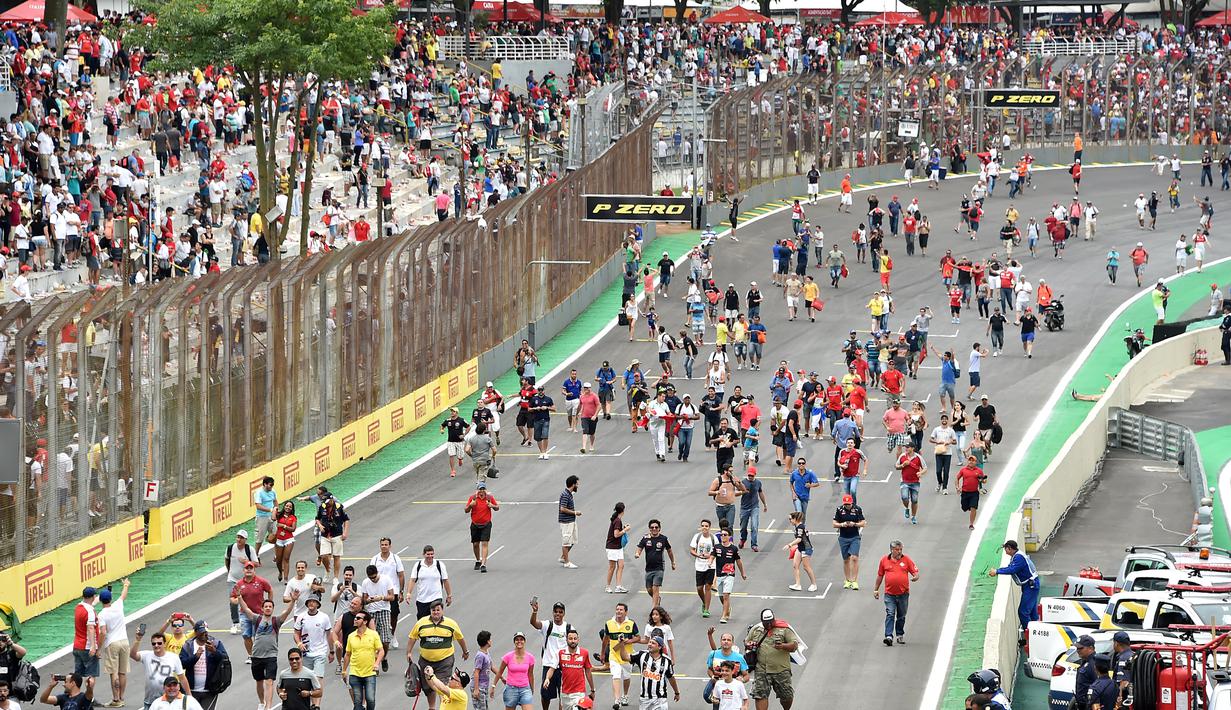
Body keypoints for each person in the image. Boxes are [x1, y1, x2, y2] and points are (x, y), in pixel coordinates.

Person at [236, 594, 296, 710]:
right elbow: (246, 609)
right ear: (262, 609)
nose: (268, 608)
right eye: (266, 606)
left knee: (269, 681)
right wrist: (239, 597)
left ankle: (268, 707)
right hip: (256, 656)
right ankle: (262, 702)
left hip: (271, 656)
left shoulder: (276, 621)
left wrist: (293, 600)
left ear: (273, 609)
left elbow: (287, 612)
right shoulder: (257, 619)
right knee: (259, 681)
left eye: (270, 606)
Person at [407, 601, 470, 710]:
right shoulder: (421, 623)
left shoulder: (451, 624)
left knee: (443, 685)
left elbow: (460, 638)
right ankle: (432, 707)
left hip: (444, 660)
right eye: (433, 610)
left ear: (442, 611)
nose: (436, 612)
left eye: (438, 610)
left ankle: (443, 706)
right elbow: (412, 637)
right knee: (428, 687)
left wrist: (465, 651)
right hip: (425, 660)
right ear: (430, 611)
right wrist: (409, 652)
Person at [743, 609, 798, 710]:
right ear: (762, 621)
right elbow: (747, 641)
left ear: (774, 619)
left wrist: (783, 646)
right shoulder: (756, 629)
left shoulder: (785, 629)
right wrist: (749, 645)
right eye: (766, 623)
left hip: (781, 669)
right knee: (760, 695)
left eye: (771, 622)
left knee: (787, 696)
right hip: (762, 669)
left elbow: (794, 646)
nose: (768, 625)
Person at [988, 540, 1041, 641]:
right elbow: (1011, 568)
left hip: (1031, 586)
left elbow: (1012, 569)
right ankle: (1036, 634)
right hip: (1030, 586)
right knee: (1032, 613)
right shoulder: (1017, 556)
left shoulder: (1018, 557)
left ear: (1009, 548)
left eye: (1006, 549)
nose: (1005, 551)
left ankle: (1030, 638)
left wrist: (997, 571)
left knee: (1023, 612)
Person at [873, 540, 920, 646]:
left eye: (900, 549)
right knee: (890, 613)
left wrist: (916, 576)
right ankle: (888, 636)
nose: (899, 552)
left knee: (901, 615)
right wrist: (876, 589)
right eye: (897, 550)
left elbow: (915, 571)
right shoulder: (884, 560)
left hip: (903, 594)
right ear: (891, 550)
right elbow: (880, 575)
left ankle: (899, 634)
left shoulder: (906, 560)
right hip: (889, 594)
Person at [529, 600, 574, 710]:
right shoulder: (547, 625)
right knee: (545, 694)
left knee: (563, 695)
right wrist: (534, 612)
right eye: (556, 611)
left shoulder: (569, 627)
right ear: (553, 613)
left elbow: (573, 643)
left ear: (564, 613)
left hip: (564, 666)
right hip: (548, 665)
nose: (558, 614)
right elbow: (534, 623)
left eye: (560, 612)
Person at [129, 630, 189, 710]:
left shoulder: (173, 657)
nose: (156, 645)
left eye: (159, 643)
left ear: (164, 644)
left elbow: (182, 678)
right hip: (150, 700)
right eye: (154, 643)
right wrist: (138, 640)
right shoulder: (147, 655)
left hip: (168, 700)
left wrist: (189, 695)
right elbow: (132, 655)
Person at [541, 628, 594, 710]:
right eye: (570, 639)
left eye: (575, 639)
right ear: (566, 640)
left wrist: (592, 689)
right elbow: (552, 668)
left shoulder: (584, 653)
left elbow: (588, 671)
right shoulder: (560, 653)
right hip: (565, 693)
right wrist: (547, 678)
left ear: (578, 639)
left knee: (578, 708)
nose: (573, 641)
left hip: (579, 693)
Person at [180, 621, 229, 710]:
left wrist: (214, 652)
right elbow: (182, 664)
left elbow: (224, 660)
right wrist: (195, 657)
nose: (204, 633)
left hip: (210, 690)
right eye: (201, 631)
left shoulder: (216, 643)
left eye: (206, 631)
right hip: (191, 690)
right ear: (195, 632)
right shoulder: (188, 645)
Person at [97, 581, 130, 708]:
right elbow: (123, 595)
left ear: (100, 600)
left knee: (114, 672)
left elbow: (103, 632)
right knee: (122, 672)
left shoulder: (101, 615)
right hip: (125, 641)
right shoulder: (118, 605)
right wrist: (126, 584)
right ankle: (121, 697)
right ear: (111, 598)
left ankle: (116, 699)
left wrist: (99, 649)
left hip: (112, 643)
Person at [341, 611, 382, 710]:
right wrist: (344, 670)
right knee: (357, 701)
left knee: (370, 699)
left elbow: (381, 651)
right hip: (355, 672)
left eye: (358, 618)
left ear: (365, 621)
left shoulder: (373, 635)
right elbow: (347, 654)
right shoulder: (351, 636)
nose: (355, 619)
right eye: (355, 618)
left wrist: (376, 663)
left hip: (369, 672)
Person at [628, 635, 680, 709]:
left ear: (659, 647)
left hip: (660, 699)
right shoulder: (642, 655)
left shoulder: (666, 661)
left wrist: (677, 693)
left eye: (653, 643)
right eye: (649, 642)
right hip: (644, 699)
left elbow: (671, 678)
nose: (649, 644)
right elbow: (625, 657)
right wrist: (621, 644)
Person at [603, 604, 640, 709]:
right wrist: (602, 653)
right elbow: (606, 639)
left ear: (626, 612)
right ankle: (617, 700)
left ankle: (625, 695)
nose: (619, 611)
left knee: (627, 677)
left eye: (621, 610)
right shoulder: (609, 623)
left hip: (627, 656)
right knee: (616, 676)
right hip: (613, 655)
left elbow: (638, 637)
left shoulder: (631, 624)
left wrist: (629, 641)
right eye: (617, 609)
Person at [489, 632, 535, 710]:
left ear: (524, 641)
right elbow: (500, 672)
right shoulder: (508, 657)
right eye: (517, 640)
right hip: (511, 690)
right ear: (514, 642)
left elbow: (530, 675)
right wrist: (493, 686)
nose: (519, 641)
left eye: (521, 639)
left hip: (525, 689)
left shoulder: (530, 657)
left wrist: (532, 689)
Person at [635, 520, 676, 607]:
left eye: (656, 527)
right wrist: (637, 553)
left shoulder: (663, 539)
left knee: (655, 588)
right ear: (649, 529)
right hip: (649, 568)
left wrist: (673, 562)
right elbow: (640, 547)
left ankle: (654, 609)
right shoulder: (645, 538)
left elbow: (669, 551)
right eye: (652, 527)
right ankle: (657, 599)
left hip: (659, 568)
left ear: (659, 529)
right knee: (649, 589)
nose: (654, 529)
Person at [407, 545, 453, 620]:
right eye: (428, 554)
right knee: (423, 621)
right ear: (424, 554)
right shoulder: (418, 565)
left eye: (432, 554)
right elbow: (412, 580)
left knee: (436, 619)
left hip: (436, 598)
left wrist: (449, 595)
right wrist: (409, 593)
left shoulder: (439, 565)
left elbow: (445, 580)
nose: (430, 556)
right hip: (422, 599)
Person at [712, 529, 747, 623]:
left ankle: (724, 615)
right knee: (721, 596)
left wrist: (742, 573)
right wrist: (709, 561)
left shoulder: (734, 549)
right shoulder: (717, 547)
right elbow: (712, 556)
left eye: (725, 534)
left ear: (729, 536)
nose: (723, 536)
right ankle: (727, 608)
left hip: (729, 575)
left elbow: (738, 561)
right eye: (721, 535)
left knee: (726, 595)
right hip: (719, 575)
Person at [833, 495, 866, 590]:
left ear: (852, 503)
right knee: (846, 559)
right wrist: (842, 524)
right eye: (845, 504)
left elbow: (863, 523)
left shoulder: (857, 509)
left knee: (854, 557)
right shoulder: (839, 510)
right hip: (843, 537)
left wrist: (854, 524)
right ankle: (847, 580)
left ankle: (854, 581)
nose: (847, 506)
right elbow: (834, 524)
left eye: (849, 504)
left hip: (854, 537)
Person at [466, 483, 500, 573]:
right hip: (475, 524)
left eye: (483, 489)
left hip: (486, 524)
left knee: (484, 543)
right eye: (480, 489)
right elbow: (466, 510)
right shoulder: (472, 498)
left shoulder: (489, 498)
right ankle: (478, 560)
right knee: (475, 544)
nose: (481, 491)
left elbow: (497, 507)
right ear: (477, 490)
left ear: (485, 490)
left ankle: (483, 564)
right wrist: (470, 505)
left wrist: (492, 506)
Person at [315, 497, 350, 583]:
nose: (326, 504)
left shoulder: (339, 507)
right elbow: (317, 518)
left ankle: (336, 577)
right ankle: (327, 570)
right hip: (325, 535)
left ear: (331, 500)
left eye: (327, 502)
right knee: (323, 555)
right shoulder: (322, 507)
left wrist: (345, 532)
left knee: (336, 556)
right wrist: (319, 525)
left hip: (337, 535)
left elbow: (346, 520)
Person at [72, 587, 102, 681]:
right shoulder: (90, 612)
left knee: (77, 677)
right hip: (87, 647)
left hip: (77, 646)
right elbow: (90, 628)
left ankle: (74, 694)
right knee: (91, 676)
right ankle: (89, 696)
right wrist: (93, 646)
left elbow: (92, 603)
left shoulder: (78, 607)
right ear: (92, 596)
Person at [690, 520, 718, 618]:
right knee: (699, 588)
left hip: (710, 565)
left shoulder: (714, 538)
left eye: (706, 526)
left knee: (708, 587)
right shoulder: (697, 537)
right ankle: (704, 602)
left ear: (710, 527)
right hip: (699, 565)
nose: (704, 527)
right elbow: (692, 550)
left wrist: (709, 556)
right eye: (702, 526)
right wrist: (698, 555)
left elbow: (717, 551)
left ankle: (706, 609)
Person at [783, 511, 817, 593]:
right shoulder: (797, 526)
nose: (790, 521)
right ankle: (798, 585)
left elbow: (799, 539)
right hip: (800, 548)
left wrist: (789, 545)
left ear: (795, 519)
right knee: (795, 565)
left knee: (806, 567)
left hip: (806, 548)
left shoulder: (800, 527)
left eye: (790, 519)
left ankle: (814, 584)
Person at [895, 442, 926, 525]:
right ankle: (906, 508)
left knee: (914, 500)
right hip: (904, 481)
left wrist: (921, 473)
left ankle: (913, 516)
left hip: (915, 482)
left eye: (908, 447)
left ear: (913, 448)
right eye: (906, 447)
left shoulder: (918, 457)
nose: (906, 448)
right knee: (904, 497)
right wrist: (902, 465)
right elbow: (896, 466)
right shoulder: (902, 456)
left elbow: (925, 468)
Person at [738, 467, 767, 552]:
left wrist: (764, 504)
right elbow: (736, 493)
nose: (750, 477)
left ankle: (754, 544)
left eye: (752, 475)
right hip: (744, 507)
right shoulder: (743, 482)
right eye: (749, 475)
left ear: (755, 475)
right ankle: (743, 539)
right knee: (743, 527)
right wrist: (742, 491)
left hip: (755, 507)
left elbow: (760, 493)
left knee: (754, 526)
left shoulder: (758, 483)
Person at [709, 466, 745, 531]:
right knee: (722, 527)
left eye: (732, 471)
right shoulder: (718, 480)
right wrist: (717, 492)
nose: (732, 473)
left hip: (730, 507)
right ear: (725, 471)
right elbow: (710, 492)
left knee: (730, 526)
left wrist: (739, 482)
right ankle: (724, 540)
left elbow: (743, 489)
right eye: (730, 471)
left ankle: (730, 540)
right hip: (720, 507)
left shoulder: (733, 480)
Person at [956, 455, 985, 530]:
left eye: (973, 460)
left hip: (974, 493)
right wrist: (957, 487)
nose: (971, 462)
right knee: (964, 507)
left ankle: (971, 524)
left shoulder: (979, 471)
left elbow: (984, 480)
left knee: (973, 508)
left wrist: (982, 480)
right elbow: (957, 478)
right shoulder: (963, 470)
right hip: (965, 492)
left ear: (976, 462)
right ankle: (968, 506)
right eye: (969, 460)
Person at [559, 476, 581, 569]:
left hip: (571, 521)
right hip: (566, 522)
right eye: (577, 484)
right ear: (573, 484)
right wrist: (575, 512)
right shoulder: (565, 494)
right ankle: (566, 562)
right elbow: (562, 509)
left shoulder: (569, 494)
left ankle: (563, 557)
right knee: (566, 541)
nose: (578, 486)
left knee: (572, 540)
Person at [1070, 635, 1098, 710]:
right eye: (1077, 648)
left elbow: (1098, 687)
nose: (1078, 650)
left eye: (1081, 648)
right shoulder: (1085, 661)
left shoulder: (1094, 664)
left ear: (1091, 648)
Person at [441, 408, 469, 477]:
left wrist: (464, 434)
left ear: (457, 413)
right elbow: (442, 425)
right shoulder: (448, 421)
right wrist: (442, 430)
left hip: (459, 441)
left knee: (461, 456)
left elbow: (468, 427)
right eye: (451, 411)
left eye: (453, 411)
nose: (452, 413)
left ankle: (460, 459)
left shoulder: (461, 420)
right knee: (451, 455)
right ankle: (453, 470)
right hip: (450, 441)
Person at [253, 476, 277, 556]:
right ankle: (256, 556)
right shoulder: (259, 493)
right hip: (262, 517)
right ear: (265, 484)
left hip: (272, 516)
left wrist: (276, 510)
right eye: (270, 485)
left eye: (272, 485)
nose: (271, 487)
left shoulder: (273, 491)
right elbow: (258, 506)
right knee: (259, 538)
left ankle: (277, 555)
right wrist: (270, 510)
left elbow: (275, 501)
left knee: (276, 535)